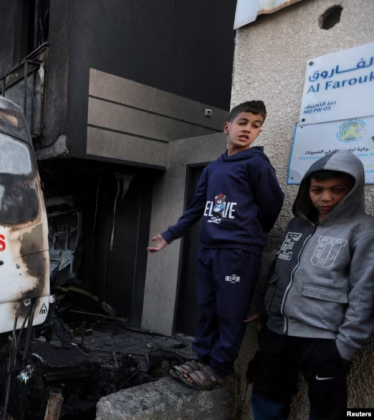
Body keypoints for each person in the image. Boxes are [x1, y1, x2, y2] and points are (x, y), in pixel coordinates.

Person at [147, 100, 284, 389]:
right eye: (243, 122)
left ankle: (220, 368)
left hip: (238, 253)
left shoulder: (256, 164)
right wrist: (169, 235)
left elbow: (273, 205)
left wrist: (250, 235)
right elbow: (196, 209)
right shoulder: (212, 169)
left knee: (229, 312)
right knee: (207, 308)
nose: (248, 129)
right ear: (227, 126)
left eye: (256, 126)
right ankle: (203, 358)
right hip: (208, 250)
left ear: (259, 132)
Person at [249, 150, 374, 420]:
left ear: (354, 190)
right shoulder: (297, 223)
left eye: (337, 190)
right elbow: (278, 267)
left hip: (323, 339)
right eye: (317, 190)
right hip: (276, 331)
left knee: (327, 409)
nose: (325, 198)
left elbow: (365, 292)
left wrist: (346, 347)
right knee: (266, 395)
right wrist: (263, 308)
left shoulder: (364, 230)